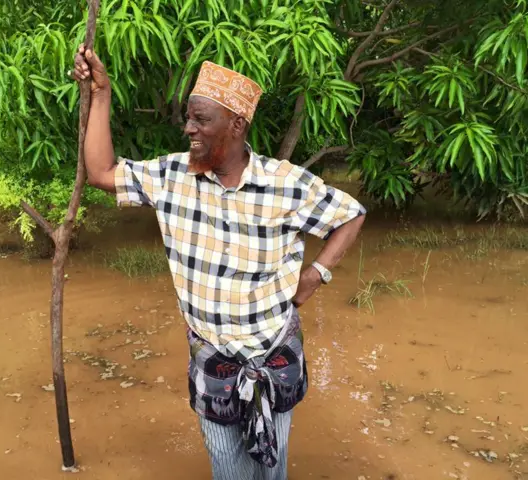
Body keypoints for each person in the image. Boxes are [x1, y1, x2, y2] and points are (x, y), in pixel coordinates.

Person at [72, 45, 366, 480]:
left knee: (273, 465)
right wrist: (101, 94)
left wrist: (313, 276)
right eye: (189, 119)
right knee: (228, 467)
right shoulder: (172, 177)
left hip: (274, 354)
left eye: (201, 120)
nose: (189, 129)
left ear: (237, 124)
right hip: (213, 358)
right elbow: (100, 173)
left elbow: (350, 215)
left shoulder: (284, 184)